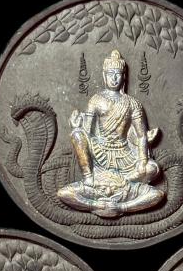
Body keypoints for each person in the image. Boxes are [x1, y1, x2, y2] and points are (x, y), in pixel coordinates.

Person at [57, 49, 164, 217]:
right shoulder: (96, 100)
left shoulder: (132, 103)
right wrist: (77, 127)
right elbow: (87, 132)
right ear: (104, 75)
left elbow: (141, 135)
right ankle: (89, 178)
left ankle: (120, 183)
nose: (114, 78)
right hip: (99, 151)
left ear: (123, 77)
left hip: (125, 155)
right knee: (77, 134)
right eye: (110, 74)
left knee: (152, 168)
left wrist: (142, 161)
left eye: (117, 74)